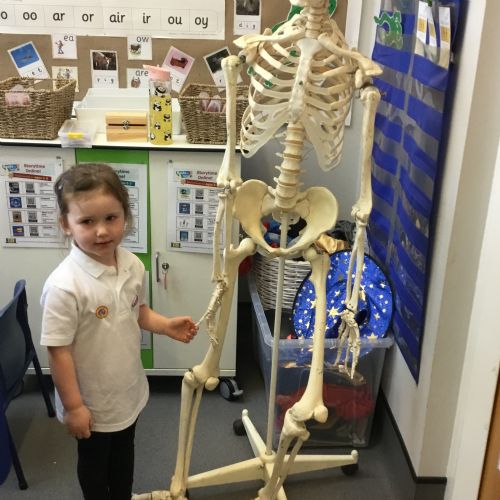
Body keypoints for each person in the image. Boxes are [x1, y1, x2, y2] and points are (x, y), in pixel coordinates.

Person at [40, 163, 198, 500]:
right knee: (95, 464)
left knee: (124, 454)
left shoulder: (132, 265)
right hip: (90, 401)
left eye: (111, 218)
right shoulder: (64, 286)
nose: (101, 231)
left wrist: (165, 326)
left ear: (125, 216)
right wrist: (74, 407)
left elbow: (137, 312)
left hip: (126, 391)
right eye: (87, 221)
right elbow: (58, 351)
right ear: (66, 224)